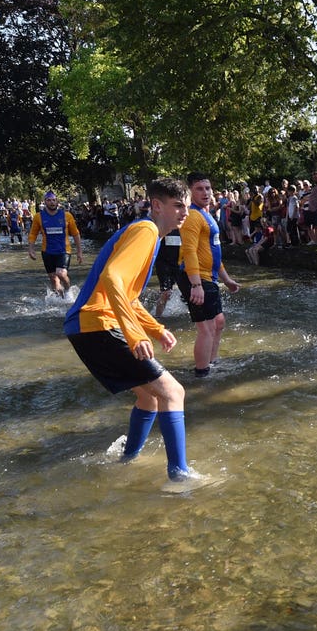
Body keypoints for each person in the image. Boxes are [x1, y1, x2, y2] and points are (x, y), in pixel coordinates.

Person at [64, 178, 197, 481]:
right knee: (174, 392)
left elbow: (128, 296)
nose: (184, 213)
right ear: (157, 205)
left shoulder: (146, 232)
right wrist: (136, 335)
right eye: (178, 206)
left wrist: (155, 329)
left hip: (86, 326)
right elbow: (113, 279)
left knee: (149, 398)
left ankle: (127, 460)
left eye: (186, 207)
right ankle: (180, 477)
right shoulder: (146, 230)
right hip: (97, 324)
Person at [177, 172, 242, 378]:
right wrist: (196, 284)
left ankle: (212, 362)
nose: (205, 192)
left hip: (208, 277)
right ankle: (202, 373)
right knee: (206, 328)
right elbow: (189, 251)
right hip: (196, 277)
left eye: (207, 188)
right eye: (199, 188)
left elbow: (212, 253)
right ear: (190, 192)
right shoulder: (193, 216)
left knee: (218, 321)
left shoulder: (207, 215)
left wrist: (227, 279)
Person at [28, 191, 84, 296]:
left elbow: (76, 234)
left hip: (64, 250)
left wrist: (79, 252)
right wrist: (31, 249)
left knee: (61, 273)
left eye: (54, 200)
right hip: (47, 251)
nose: (52, 202)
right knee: (54, 280)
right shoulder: (38, 217)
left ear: (57, 201)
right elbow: (33, 234)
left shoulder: (67, 216)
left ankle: (68, 292)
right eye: (49, 200)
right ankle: (60, 299)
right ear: (45, 202)